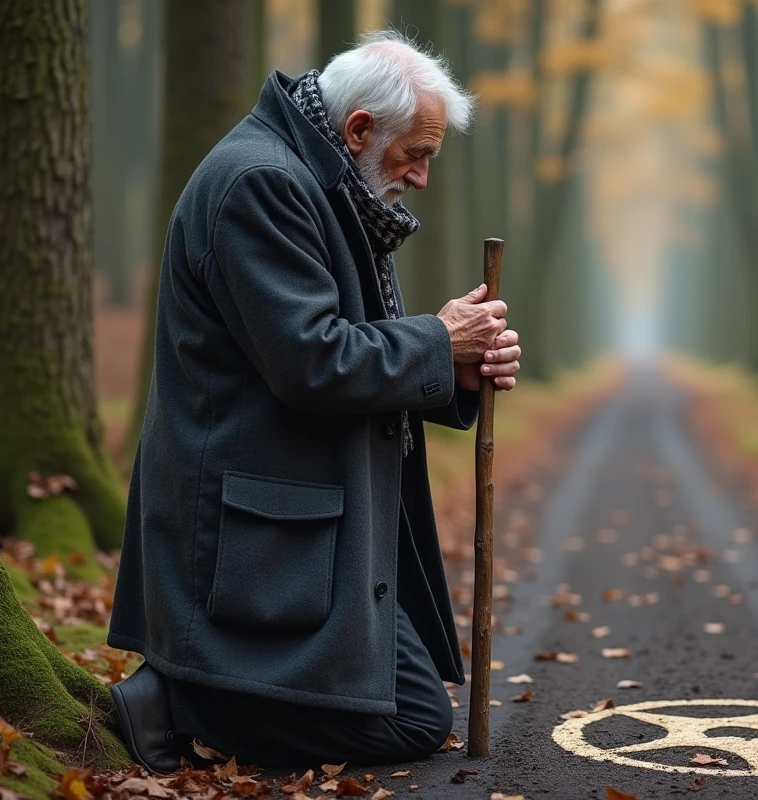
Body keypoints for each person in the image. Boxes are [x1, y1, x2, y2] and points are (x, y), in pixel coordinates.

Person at [105, 30, 520, 772]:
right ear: (358, 128)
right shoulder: (261, 182)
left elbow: (339, 339)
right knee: (414, 720)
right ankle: (176, 700)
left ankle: (200, 695)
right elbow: (312, 360)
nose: (422, 177)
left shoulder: (313, 178)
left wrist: (452, 365)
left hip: (296, 520)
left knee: (413, 710)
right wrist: (437, 340)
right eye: (415, 154)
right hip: (253, 529)